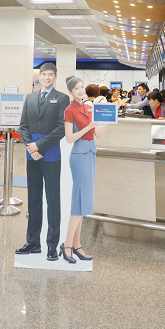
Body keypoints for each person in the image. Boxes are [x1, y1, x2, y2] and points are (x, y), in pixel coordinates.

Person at [15, 61, 70, 261]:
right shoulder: (30, 98)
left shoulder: (62, 99)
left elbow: (61, 128)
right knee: (34, 199)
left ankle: (52, 245)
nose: (46, 78)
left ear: (55, 77)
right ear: (39, 76)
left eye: (50, 75)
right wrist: (31, 146)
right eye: (44, 74)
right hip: (32, 154)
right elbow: (23, 125)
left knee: (53, 200)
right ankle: (33, 242)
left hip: (51, 153)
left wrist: (39, 146)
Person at [60, 76, 103, 263]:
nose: (80, 90)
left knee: (83, 201)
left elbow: (98, 134)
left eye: (81, 87)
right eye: (76, 88)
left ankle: (76, 245)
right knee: (78, 201)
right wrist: (90, 127)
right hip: (78, 157)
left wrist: (108, 119)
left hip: (90, 153)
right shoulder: (69, 110)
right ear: (70, 92)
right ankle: (67, 245)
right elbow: (69, 138)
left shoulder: (88, 108)